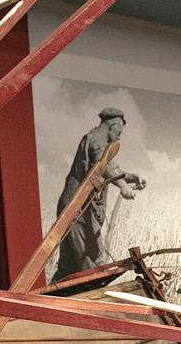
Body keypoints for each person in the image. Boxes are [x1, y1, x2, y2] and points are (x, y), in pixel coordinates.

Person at [53, 106, 147, 280]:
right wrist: (123, 186)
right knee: (93, 260)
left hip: (76, 207)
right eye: (119, 131)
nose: (119, 136)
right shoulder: (97, 139)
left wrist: (129, 177)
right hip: (78, 208)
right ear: (111, 125)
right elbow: (101, 164)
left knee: (69, 266)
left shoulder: (96, 140)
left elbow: (110, 167)